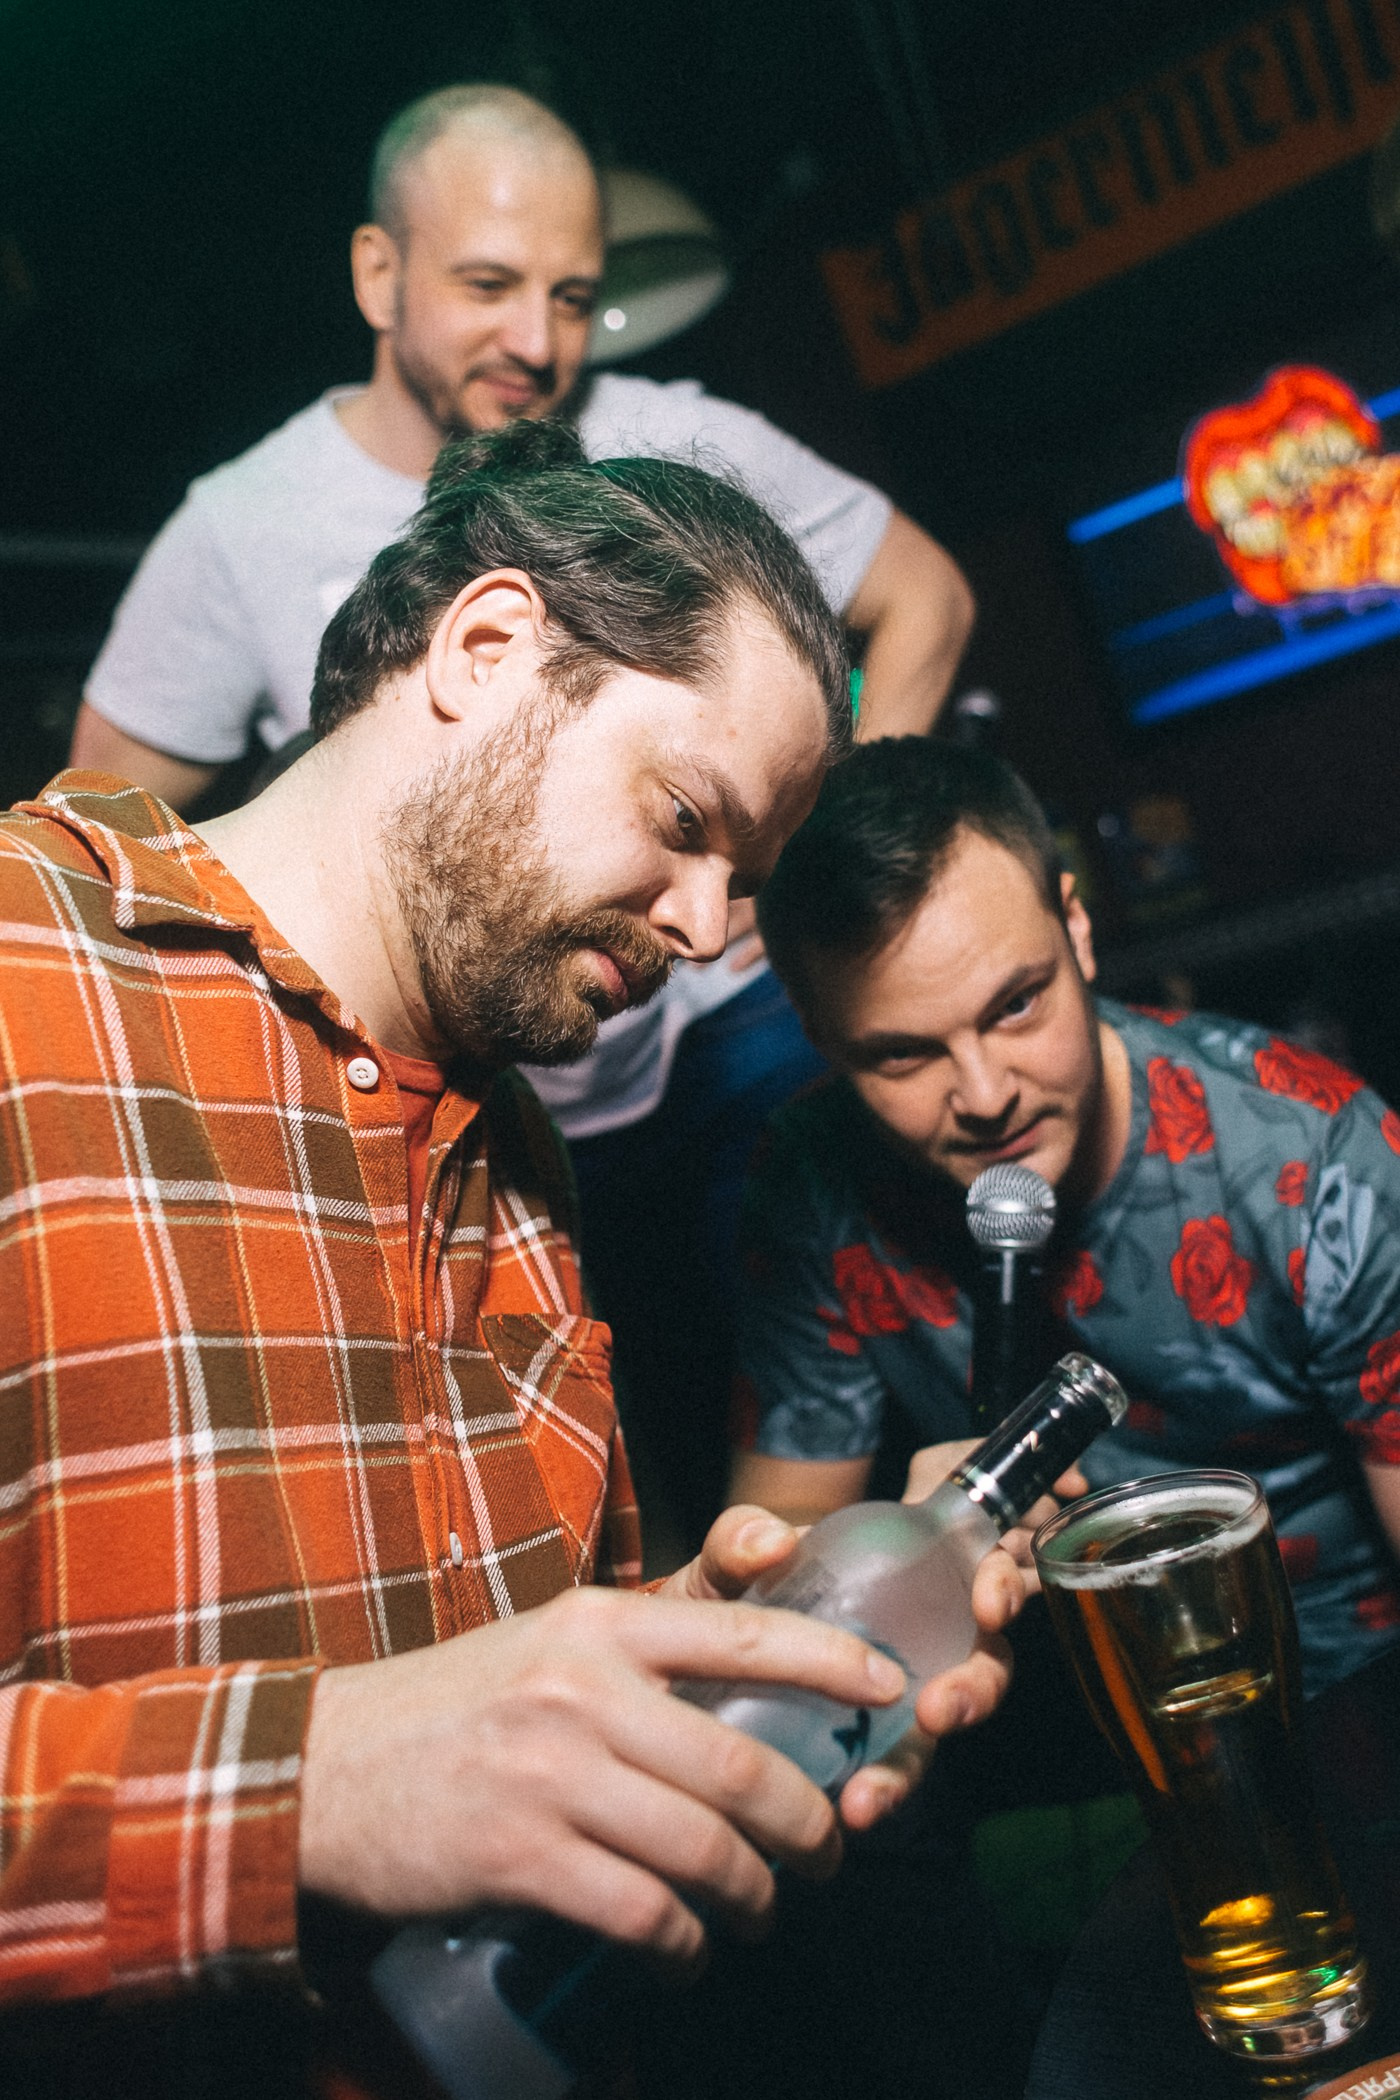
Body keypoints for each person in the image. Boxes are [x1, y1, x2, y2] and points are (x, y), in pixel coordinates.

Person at [0, 427, 1020, 2099]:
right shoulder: (22, 971)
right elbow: (389, 1759)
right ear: (486, 650)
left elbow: (486, 1713)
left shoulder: (523, 1163)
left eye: (742, 881)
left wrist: (699, 1665)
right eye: (683, 820)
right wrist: (311, 1794)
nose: (708, 932)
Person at [69, 82, 975, 1554]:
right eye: (490, 286)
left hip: (707, 1063)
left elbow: (922, 594)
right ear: (380, 274)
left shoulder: (670, 447)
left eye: (571, 296)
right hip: (452, 1076)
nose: (540, 343)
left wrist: (785, 874)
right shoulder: (239, 525)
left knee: (788, 1425)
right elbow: (102, 801)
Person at [733, 738, 1400, 1694]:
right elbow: (769, 1578)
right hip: (1032, 1709)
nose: (985, 1095)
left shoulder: (1317, 1161)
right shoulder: (812, 1185)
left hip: (1342, 1689)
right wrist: (888, 1551)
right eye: (903, 1054)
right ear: (820, 1038)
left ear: (1078, 931)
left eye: (1015, 1005)